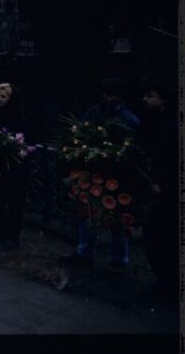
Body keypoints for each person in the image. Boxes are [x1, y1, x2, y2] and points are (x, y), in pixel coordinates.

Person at [64, 78, 140, 269]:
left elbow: (133, 148)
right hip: (93, 170)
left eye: (112, 95)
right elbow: (80, 134)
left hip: (116, 173)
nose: (107, 98)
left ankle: (119, 259)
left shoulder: (128, 119)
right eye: (106, 94)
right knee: (86, 211)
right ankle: (84, 251)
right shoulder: (94, 112)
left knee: (117, 217)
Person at [138, 82, 178, 297]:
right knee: (154, 233)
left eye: (151, 96)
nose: (146, 100)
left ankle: (168, 280)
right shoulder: (153, 122)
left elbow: (169, 158)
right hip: (154, 182)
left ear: (163, 99)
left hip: (165, 187)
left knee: (163, 233)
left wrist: (160, 182)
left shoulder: (170, 126)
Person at [0, 83, 29, 250]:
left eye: (4, 97)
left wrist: (11, 141)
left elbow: (24, 135)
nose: (0, 99)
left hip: (15, 164)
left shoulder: (20, 115)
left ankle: (13, 236)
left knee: (14, 201)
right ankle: (1, 231)